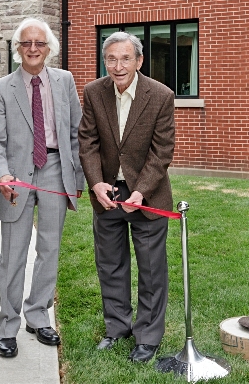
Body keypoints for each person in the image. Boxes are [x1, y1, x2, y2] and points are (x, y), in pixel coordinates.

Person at [0, 18, 84, 359]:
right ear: (17, 49)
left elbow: (76, 133)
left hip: (55, 169)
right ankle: (7, 325)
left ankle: (38, 315)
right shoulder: (1, 88)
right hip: (17, 176)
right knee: (12, 255)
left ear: (49, 47)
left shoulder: (64, 81)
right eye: (26, 43)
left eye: (39, 43)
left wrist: (77, 178)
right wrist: (1, 176)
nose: (33, 48)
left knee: (49, 248)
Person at [78, 31, 175, 364]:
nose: (118, 66)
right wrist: (95, 183)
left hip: (147, 196)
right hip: (108, 194)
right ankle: (117, 328)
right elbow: (87, 142)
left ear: (139, 60)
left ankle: (147, 336)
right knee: (111, 266)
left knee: (151, 270)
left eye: (125, 58)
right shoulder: (93, 92)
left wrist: (140, 191)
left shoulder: (161, 95)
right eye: (111, 59)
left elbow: (162, 152)